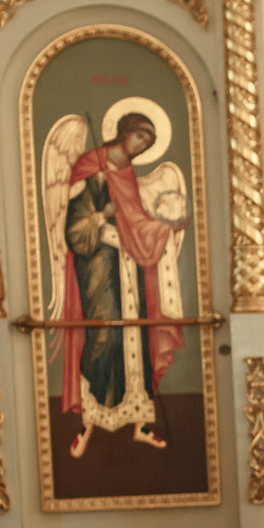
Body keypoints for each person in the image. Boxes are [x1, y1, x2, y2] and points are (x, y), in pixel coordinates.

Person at [57, 110, 179, 459]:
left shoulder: (127, 173)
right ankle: (88, 425)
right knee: (104, 336)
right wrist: (102, 216)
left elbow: (137, 221)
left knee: (134, 338)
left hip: (129, 263)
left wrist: (165, 226)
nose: (142, 146)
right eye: (140, 137)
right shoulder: (89, 167)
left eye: (149, 143)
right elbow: (74, 231)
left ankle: (140, 425)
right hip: (97, 265)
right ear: (124, 132)